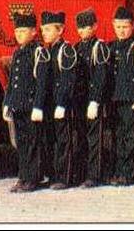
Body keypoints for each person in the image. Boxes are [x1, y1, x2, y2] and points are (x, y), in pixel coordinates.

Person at [2, 12, 45, 193]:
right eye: (17, 31)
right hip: (18, 105)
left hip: (30, 106)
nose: (19, 34)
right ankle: (23, 176)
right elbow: (13, 81)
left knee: (33, 142)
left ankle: (33, 178)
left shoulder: (38, 52)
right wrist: (7, 103)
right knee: (21, 143)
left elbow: (41, 82)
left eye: (23, 31)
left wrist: (38, 106)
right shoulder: (18, 52)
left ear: (34, 32)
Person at [108, 7, 134, 186]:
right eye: (118, 27)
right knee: (117, 137)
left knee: (130, 137)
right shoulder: (111, 47)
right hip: (115, 98)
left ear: (132, 26)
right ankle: (117, 171)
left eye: (125, 27)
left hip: (131, 99)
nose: (121, 31)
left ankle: (127, 173)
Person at [71, 8, 110, 188]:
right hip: (79, 100)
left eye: (86, 27)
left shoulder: (99, 47)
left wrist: (95, 100)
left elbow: (100, 77)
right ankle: (80, 173)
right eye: (79, 28)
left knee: (94, 139)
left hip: (92, 101)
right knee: (81, 137)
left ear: (94, 26)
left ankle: (94, 175)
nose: (82, 31)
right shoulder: (77, 48)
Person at [37, 10, 76, 189]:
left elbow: (67, 80)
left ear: (60, 31)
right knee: (49, 140)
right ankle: (51, 175)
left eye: (48, 29)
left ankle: (63, 178)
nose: (43, 32)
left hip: (61, 104)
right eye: (42, 29)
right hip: (48, 104)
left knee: (62, 141)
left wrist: (62, 104)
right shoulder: (47, 50)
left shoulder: (66, 50)